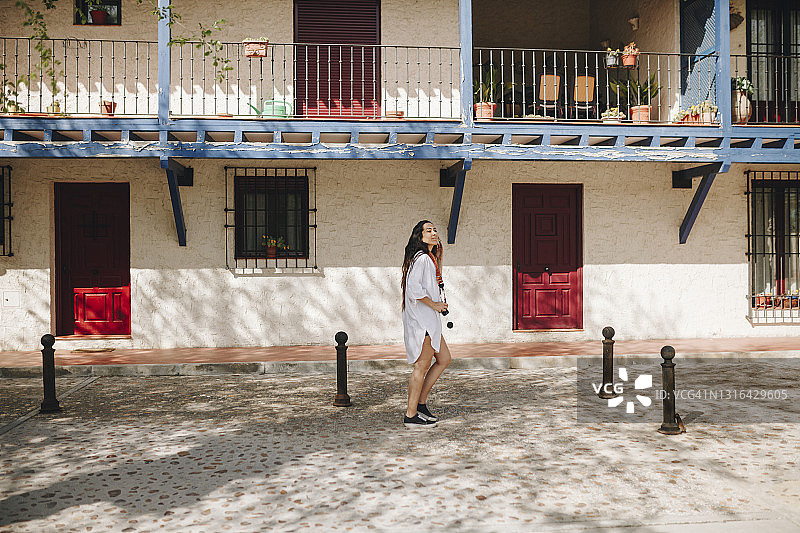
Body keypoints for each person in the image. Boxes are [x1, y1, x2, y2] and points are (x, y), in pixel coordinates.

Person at [400, 220, 452, 428]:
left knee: (444, 358)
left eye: (435, 230)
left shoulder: (429, 258)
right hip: (423, 322)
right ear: (419, 236)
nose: (433, 233)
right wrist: (436, 305)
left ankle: (420, 404)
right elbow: (413, 290)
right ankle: (410, 415)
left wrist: (440, 256)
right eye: (428, 230)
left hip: (430, 322)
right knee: (421, 367)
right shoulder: (421, 259)